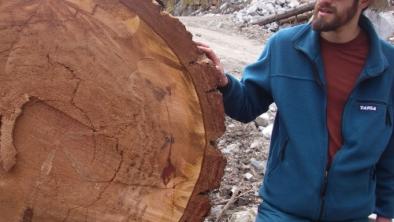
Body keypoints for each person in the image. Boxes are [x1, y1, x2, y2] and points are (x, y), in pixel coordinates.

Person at [196, 0, 394, 220]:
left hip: (351, 214)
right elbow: (247, 106)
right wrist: (224, 83)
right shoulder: (285, 47)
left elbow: (390, 147)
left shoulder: (388, 64)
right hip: (282, 210)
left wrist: (386, 212)